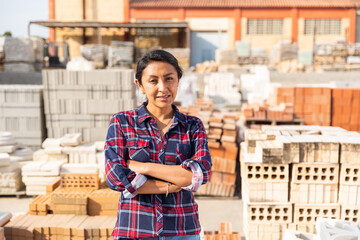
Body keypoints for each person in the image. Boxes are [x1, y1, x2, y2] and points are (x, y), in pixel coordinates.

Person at [105, 49, 212, 240]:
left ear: (178, 81)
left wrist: (144, 167)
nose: (163, 88)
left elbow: (199, 175)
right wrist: (173, 184)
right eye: (153, 81)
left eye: (169, 79)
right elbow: (116, 178)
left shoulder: (193, 126)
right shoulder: (122, 122)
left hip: (182, 231)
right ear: (140, 85)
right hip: (135, 230)